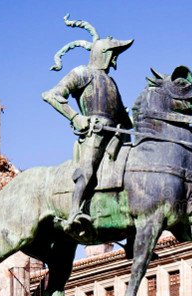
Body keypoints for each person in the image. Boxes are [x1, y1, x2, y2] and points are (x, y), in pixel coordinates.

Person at [42, 15, 133, 234]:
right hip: (94, 133)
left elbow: (124, 118)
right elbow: (51, 95)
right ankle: (74, 212)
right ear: (105, 54)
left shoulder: (111, 82)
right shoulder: (82, 73)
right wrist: (76, 117)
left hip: (115, 135)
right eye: (114, 55)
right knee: (88, 170)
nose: (115, 60)